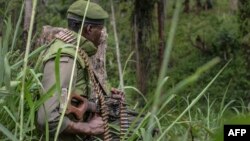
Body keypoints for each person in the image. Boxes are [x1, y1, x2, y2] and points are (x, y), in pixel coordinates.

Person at [36, 1, 123, 140]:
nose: (101, 37)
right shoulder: (65, 58)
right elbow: (47, 118)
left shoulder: (72, 50)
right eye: (100, 30)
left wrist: (105, 100)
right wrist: (88, 128)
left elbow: (69, 98)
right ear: (89, 29)